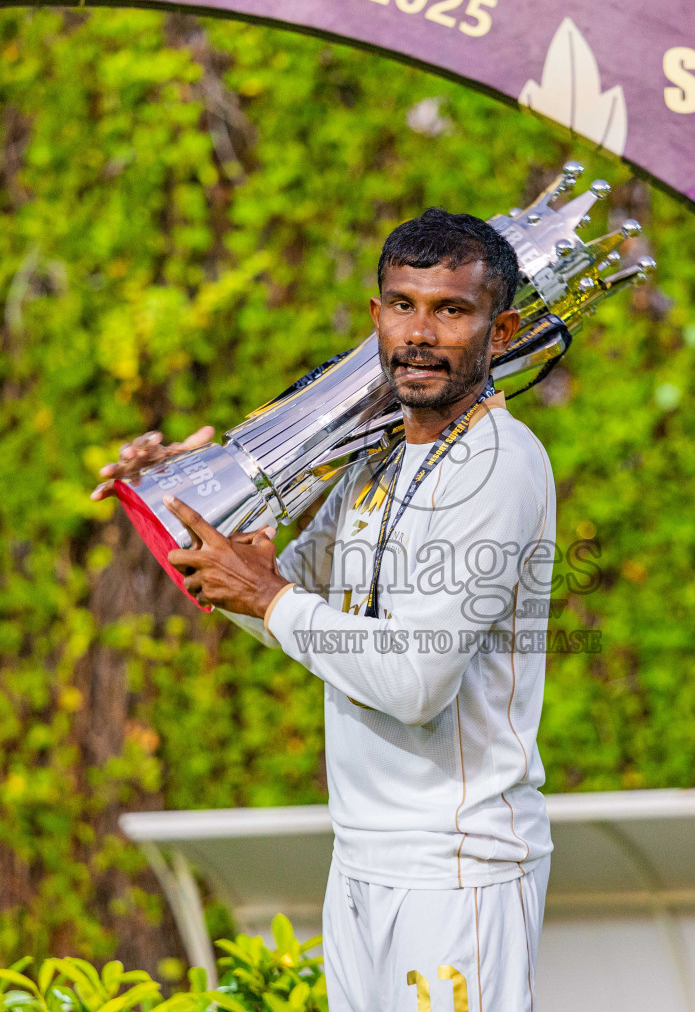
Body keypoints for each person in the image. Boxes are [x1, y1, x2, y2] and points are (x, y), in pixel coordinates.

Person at [94, 208, 556, 1012]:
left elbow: (415, 683)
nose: (421, 333)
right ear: (375, 317)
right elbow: (275, 606)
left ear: (501, 326)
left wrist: (271, 597)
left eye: (451, 310)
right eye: (403, 305)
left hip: (458, 871)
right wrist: (179, 503)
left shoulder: (500, 464)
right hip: (363, 856)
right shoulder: (377, 459)